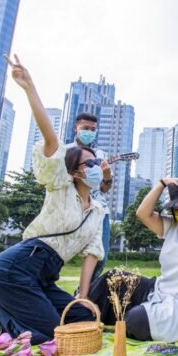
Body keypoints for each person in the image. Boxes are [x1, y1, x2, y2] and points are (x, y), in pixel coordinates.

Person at [0, 55, 103, 344]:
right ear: (74, 171)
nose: (96, 168)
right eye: (89, 165)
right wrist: (30, 88)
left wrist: (84, 297)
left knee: (83, 319)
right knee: (52, 335)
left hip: (44, 276)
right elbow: (51, 141)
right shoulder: (60, 186)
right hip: (17, 266)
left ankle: (11, 309)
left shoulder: (97, 211)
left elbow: (92, 254)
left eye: (97, 164)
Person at [71, 178, 178, 342]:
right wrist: (161, 184)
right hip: (159, 290)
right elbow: (142, 213)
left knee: (135, 320)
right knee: (112, 280)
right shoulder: (173, 226)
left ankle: (129, 313)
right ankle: (74, 316)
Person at [72, 112, 113, 282]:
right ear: (76, 128)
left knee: (100, 255)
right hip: (72, 206)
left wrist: (107, 175)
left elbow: (104, 189)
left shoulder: (100, 154)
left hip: (99, 209)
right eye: (85, 128)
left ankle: (85, 294)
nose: (89, 132)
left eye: (93, 129)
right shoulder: (65, 150)